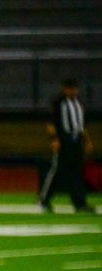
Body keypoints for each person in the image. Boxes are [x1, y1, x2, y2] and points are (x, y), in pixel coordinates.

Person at [39, 79, 94, 213]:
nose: (73, 91)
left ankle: (80, 203)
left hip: (76, 140)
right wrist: (54, 139)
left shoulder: (79, 103)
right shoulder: (58, 102)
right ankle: (44, 200)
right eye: (70, 88)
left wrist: (86, 140)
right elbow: (50, 122)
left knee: (77, 173)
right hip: (63, 140)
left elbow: (81, 125)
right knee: (57, 170)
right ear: (64, 89)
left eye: (75, 88)